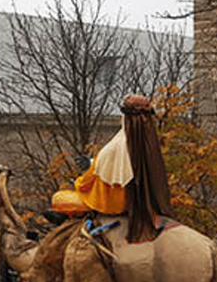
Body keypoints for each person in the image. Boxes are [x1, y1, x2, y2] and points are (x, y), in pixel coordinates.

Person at [53, 95, 172, 242]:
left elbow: (90, 180)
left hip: (112, 204)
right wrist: (92, 163)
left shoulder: (117, 145)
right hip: (139, 204)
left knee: (59, 199)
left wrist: (77, 182)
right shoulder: (150, 147)